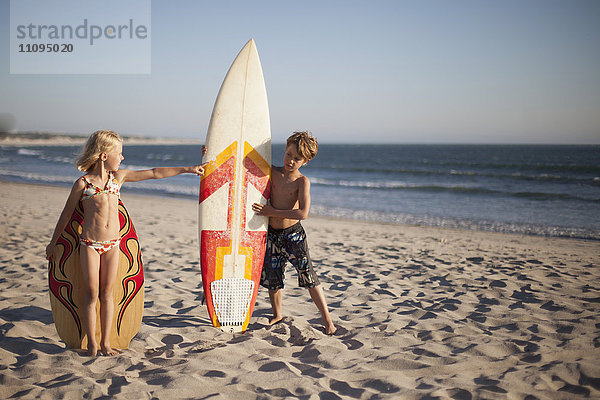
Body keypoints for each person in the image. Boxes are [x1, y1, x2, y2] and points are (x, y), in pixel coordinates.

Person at [46, 130, 206, 356]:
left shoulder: (118, 178)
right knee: (91, 294)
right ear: (104, 156)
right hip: (90, 245)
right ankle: (92, 344)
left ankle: (106, 344)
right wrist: (54, 243)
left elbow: (154, 172)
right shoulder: (83, 184)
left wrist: (188, 169)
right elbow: (66, 215)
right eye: (118, 153)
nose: (122, 158)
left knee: (107, 294)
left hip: (114, 244)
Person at [252, 131, 336, 335]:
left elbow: (303, 213)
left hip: (294, 235)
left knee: (308, 276)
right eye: (289, 154)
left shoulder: (302, 182)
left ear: (306, 161)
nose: (290, 161)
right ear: (285, 149)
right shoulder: (272, 172)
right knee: (273, 277)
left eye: (297, 159)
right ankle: (277, 314)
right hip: (272, 234)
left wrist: (272, 212)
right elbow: (246, 165)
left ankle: (327, 320)